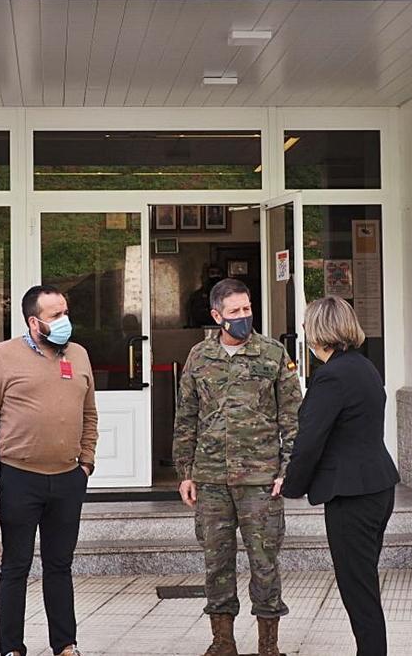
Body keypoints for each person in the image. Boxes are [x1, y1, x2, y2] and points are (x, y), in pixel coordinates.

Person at [173, 278, 302, 656]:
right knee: (216, 563)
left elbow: (292, 417)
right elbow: (186, 418)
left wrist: (286, 469)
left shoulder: (273, 354)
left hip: (260, 480)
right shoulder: (199, 357)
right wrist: (185, 473)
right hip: (211, 479)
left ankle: (268, 645)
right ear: (217, 316)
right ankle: (222, 641)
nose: (243, 316)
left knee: (264, 562)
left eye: (247, 309)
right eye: (235, 311)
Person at [0, 285, 98, 656]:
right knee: (16, 566)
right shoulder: (4, 357)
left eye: (65, 312)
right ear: (34, 321)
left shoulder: (78, 355)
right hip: (20, 477)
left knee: (60, 565)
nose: (64, 321)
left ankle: (66, 644)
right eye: (56, 316)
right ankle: (11, 648)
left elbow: (89, 413)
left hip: (68, 477)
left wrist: (86, 461)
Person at [281, 296, 401, 656]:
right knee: (364, 582)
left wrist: (290, 486)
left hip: (352, 496)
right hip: (378, 487)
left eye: (306, 324)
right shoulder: (364, 368)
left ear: (318, 331)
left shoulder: (331, 377)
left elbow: (310, 440)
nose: (303, 330)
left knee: (358, 588)